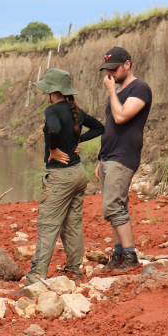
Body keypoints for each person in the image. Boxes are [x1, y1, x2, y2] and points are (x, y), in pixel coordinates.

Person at [25, 69, 104, 285]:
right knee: (72, 224)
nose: (43, 94)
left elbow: (54, 130)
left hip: (60, 176)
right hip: (78, 174)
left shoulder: (52, 111)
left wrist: (52, 150)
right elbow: (99, 127)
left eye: (45, 90)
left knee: (48, 224)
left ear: (53, 91)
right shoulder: (74, 110)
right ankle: (74, 272)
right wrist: (79, 141)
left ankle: (35, 278)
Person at [96, 46, 152, 271]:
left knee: (113, 205)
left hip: (124, 155)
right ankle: (118, 253)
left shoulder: (140, 88)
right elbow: (110, 126)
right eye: (108, 69)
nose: (111, 73)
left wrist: (111, 90)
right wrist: (101, 158)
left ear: (127, 64)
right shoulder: (118, 91)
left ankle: (130, 256)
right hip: (109, 155)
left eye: (115, 68)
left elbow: (120, 117)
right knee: (114, 205)